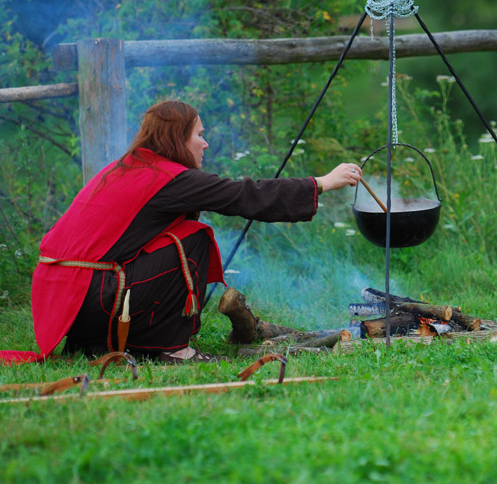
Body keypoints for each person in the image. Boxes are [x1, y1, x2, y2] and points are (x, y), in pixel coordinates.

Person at [0, 100, 362, 364]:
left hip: (69, 298)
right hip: (88, 296)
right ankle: (174, 350)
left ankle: (105, 343)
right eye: (199, 135)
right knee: (192, 237)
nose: (205, 143)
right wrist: (322, 182)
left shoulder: (129, 168)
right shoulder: (166, 179)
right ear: (177, 138)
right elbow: (243, 195)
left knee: (170, 239)